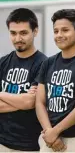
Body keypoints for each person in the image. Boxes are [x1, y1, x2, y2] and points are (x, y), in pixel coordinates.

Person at [36, 9, 75, 152]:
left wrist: (55, 131)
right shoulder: (48, 63)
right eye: (56, 31)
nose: (59, 35)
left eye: (65, 30)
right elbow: (39, 102)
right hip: (49, 139)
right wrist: (49, 132)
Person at [0, 8, 47, 151]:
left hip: (28, 145)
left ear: (35, 31)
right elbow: (26, 102)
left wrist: (2, 95)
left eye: (23, 33)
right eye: (13, 33)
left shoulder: (44, 64)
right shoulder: (3, 63)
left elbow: (31, 102)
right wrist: (22, 100)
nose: (18, 39)